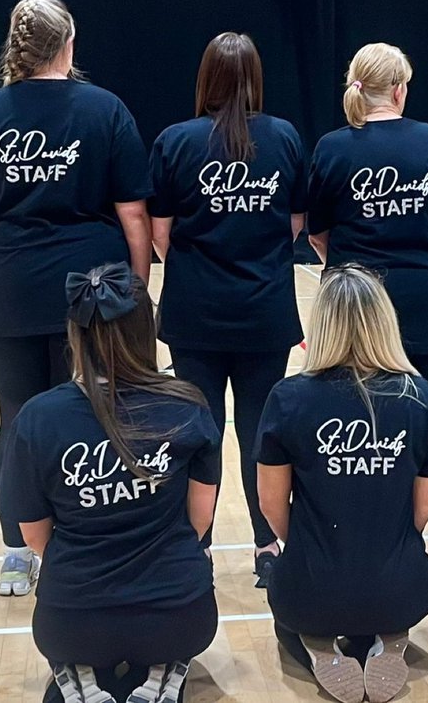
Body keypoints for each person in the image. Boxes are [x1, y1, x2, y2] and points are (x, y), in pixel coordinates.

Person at [0, 0, 152, 597]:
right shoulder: (105, 109)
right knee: (87, 412)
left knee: (17, 418)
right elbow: (133, 214)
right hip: (88, 295)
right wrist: (135, 289)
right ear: (69, 44)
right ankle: (81, 536)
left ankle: (17, 550)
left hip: (6, 290)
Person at [0, 263, 220, 703]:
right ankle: (161, 668)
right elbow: (199, 522)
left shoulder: (38, 418)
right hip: (182, 616)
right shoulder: (188, 406)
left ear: (74, 334)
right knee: (166, 627)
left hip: (71, 621)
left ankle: (80, 669)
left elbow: (35, 536)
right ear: (147, 333)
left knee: (82, 638)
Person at [148, 32, 306, 586]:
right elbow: (293, 226)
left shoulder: (176, 141)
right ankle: (267, 546)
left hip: (195, 315)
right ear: (256, 78)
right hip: (264, 313)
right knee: (261, 432)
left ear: (205, 80)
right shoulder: (284, 138)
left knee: (200, 430)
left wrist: (202, 262)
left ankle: (198, 547)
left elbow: (161, 234)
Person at [255, 264, 428, 703]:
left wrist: (308, 546)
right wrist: (391, 543)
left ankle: (318, 643)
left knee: (283, 598)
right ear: (385, 321)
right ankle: (389, 633)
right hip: (400, 589)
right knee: (415, 576)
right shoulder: (420, 396)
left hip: (313, 590)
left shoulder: (288, 398)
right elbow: (427, 502)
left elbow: (270, 503)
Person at [307, 43, 428, 382]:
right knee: (423, 398)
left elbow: (316, 234)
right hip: (424, 296)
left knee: (352, 401)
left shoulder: (332, 147)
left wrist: (347, 265)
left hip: (355, 301)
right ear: (399, 90)